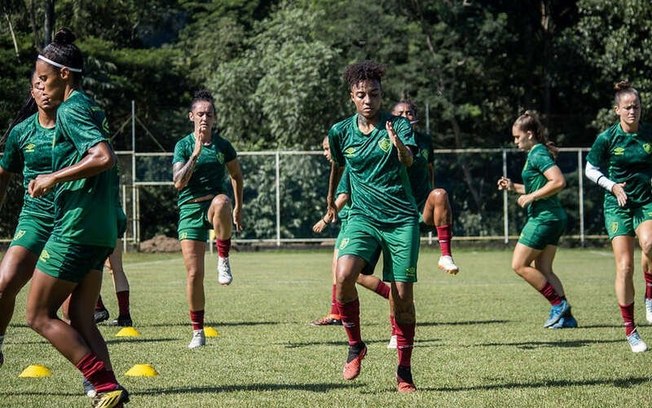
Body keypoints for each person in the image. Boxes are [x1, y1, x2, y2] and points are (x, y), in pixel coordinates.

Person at [26, 28, 129, 407]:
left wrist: (52, 177)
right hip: (99, 229)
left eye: (45, 78)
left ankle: (103, 385)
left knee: (37, 314)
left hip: (77, 229)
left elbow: (103, 157)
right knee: (82, 319)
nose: (40, 85)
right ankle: (111, 390)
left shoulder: (70, 109)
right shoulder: (87, 106)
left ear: (64, 75)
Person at [325, 60, 419, 393]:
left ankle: (404, 372)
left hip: (400, 219)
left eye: (374, 94)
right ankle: (355, 345)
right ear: (352, 96)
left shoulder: (398, 125)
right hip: (362, 216)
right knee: (343, 275)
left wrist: (399, 147)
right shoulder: (339, 131)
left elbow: (409, 159)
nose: (368, 101)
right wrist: (331, 203)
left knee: (403, 297)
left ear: (382, 95)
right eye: (361, 95)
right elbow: (338, 165)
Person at [172, 89, 244, 349]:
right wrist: (196, 152)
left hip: (215, 206)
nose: (205, 118)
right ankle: (197, 331)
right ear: (191, 116)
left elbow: (236, 176)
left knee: (223, 200)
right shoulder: (183, 145)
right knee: (194, 274)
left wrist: (239, 208)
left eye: (209, 114)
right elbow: (178, 183)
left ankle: (223, 258)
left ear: (215, 118)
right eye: (200, 114)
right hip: (190, 210)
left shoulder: (224, 146)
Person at [585, 81, 652, 353]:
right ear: (617, 110)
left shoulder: (648, 134)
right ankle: (631, 330)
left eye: (636, 106)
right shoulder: (607, 138)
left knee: (649, 244)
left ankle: (650, 293)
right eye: (627, 107)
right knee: (624, 267)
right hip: (617, 205)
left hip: (645, 202)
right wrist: (611, 185)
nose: (632, 111)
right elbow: (590, 168)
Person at [497, 111, 577, 330]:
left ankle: (558, 304)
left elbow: (558, 181)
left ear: (529, 134)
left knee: (519, 265)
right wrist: (514, 188)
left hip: (543, 218)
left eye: (517, 137)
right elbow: (540, 186)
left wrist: (531, 197)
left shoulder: (537, 153)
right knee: (544, 268)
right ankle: (567, 317)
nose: (515, 141)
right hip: (554, 217)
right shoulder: (537, 152)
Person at [0, 72, 58, 369]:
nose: (44, 90)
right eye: (38, 85)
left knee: (78, 313)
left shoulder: (75, 125)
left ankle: (95, 376)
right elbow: (3, 175)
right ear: (31, 92)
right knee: (4, 282)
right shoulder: (21, 132)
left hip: (69, 222)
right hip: (34, 220)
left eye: (48, 84)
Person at [310, 137, 391, 334]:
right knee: (339, 270)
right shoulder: (341, 167)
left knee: (352, 275)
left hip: (356, 224)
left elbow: (344, 197)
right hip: (348, 223)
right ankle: (335, 313)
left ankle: (395, 296)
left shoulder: (350, 166)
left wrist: (325, 219)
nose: (325, 153)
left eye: (328, 149)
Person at [391, 100, 459, 274]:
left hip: (422, 207)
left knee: (440, 194)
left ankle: (445, 256)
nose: (405, 117)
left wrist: (435, 200)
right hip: (397, 210)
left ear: (416, 117)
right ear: (391, 120)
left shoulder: (425, 141)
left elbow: (430, 170)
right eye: (399, 114)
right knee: (401, 275)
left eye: (409, 113)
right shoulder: (385, 141)